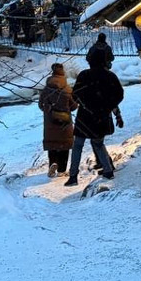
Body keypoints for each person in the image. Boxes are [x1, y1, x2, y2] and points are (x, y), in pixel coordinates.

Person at [65, 49, 124, 186]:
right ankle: (108, 171)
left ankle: (73, 176)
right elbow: (118, 95)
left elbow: (76, 95)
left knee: (78, 145)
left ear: (90, 61)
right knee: (98, 143)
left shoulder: (84, 75)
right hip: (102, 116)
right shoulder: (110, 76)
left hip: (85, 116)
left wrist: (87, 105)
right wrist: (110, 110)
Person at [37, 63, 75, 178]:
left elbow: (40, 104)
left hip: (50, 122)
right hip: (65, 122)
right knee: (64, 145)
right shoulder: (67, 88)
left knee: (52, 144)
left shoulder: (46, 89)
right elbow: (73, 106)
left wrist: (48, 111)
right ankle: (62, 170)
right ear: (63, 73)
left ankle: (53, 163)